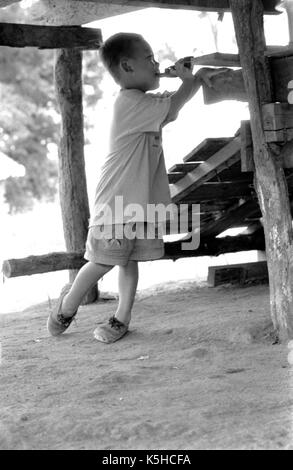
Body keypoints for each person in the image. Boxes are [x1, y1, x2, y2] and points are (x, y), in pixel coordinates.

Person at [47, 32, 223, 343]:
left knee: (129, 259)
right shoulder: (129, 102)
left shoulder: (144, 102)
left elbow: (172, 105)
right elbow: (172, 107)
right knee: (103, 260)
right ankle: (68, 304)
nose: (157, 65)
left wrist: (194, 79)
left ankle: (121, 318)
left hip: (140, 201)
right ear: (128, 67)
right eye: (150, 59)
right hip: (116, 200)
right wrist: (188, 81)